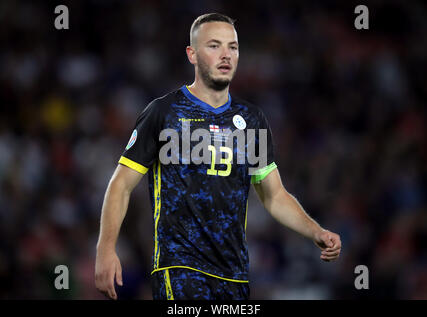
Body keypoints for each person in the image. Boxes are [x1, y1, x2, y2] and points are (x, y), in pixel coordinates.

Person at [95, 13, 341, 300]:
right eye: (214, 46)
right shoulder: (163, 113)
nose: (226, 55)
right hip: (179, 268)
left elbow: (274, 196)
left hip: (234, 275)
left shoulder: (252, 119)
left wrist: (316, 232)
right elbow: (121, 184)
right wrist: (105, 249)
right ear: (192, 54)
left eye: (233, 47)